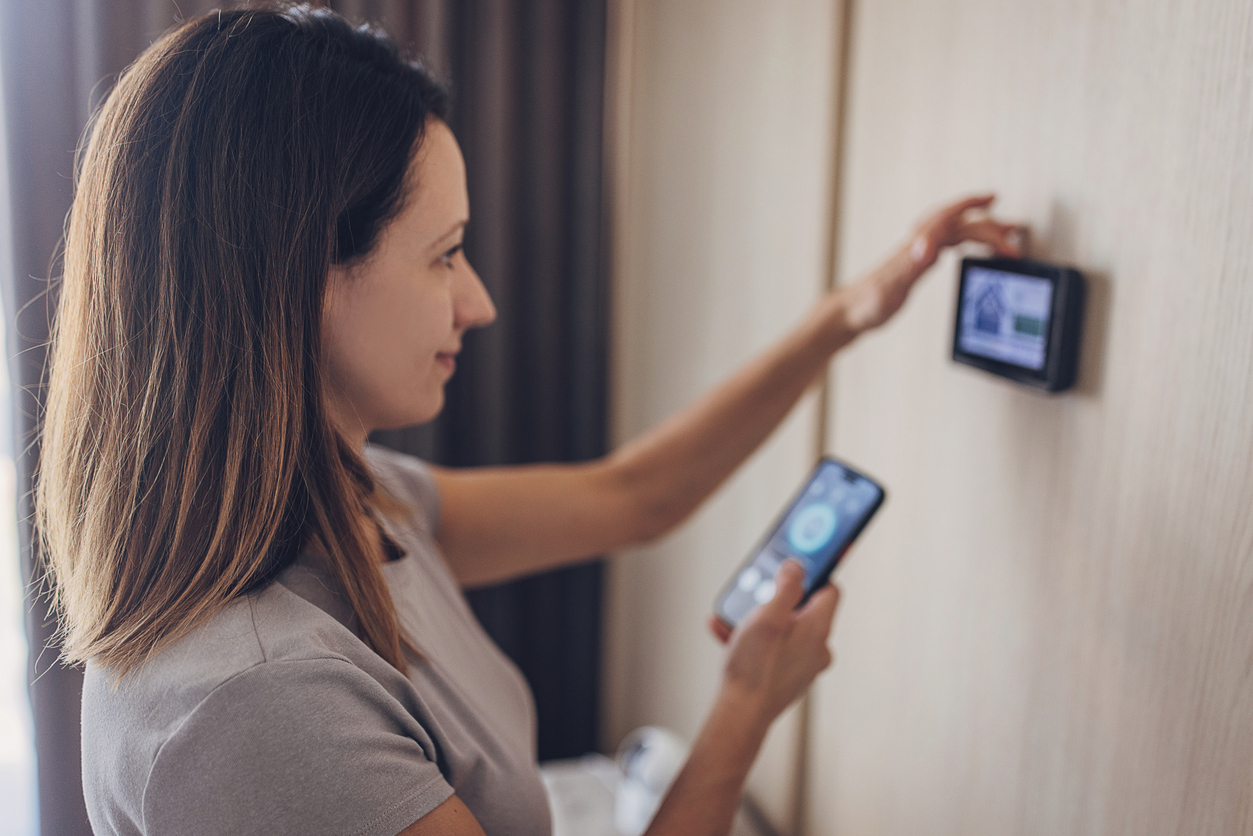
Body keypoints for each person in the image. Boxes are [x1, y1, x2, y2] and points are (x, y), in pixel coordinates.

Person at [36, 6, 1024, 836]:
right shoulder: (257, 705)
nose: (478, 302)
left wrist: (845, 316)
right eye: (445, 253)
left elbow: (633, 496)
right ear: (300, 281)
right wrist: (745, 706)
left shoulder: (354, 504)